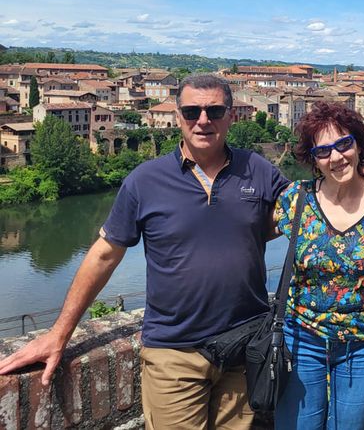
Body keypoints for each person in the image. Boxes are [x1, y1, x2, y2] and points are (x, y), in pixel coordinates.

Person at [0, 74, 289, 430]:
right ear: (178, 117)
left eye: (214, 110)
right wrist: (59, 333)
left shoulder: (257, 169)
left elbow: (307, 211)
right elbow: (104, 255)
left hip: (244, 349)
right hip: (175, 354)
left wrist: (363, 177)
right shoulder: (144, 180)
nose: (203, 120)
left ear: (231, 116)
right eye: (191, 111)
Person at [273, 101, 364, 430]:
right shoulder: (296, 199)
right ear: (313, 159)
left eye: (344, 144)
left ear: (358, 143)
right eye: (323, 150)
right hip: (302, 339)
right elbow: (245, 237)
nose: (337, 157)